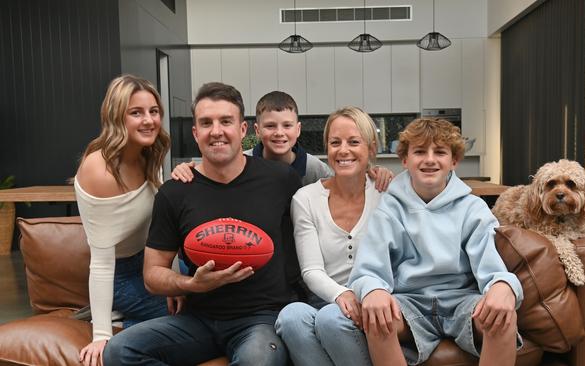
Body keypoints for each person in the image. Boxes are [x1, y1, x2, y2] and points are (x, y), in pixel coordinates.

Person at [102, 82, 303, 366]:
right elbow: (152, 274)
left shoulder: (281, 180)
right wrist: (189, 284)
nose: (216, 131)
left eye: (226, 121)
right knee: (119, 350)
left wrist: (373, 175)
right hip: (198, 320)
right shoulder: (175, 192)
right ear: (196, 133)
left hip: (262, 318)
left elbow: (328, 204)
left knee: (257, 361)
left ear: (243, 130)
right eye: (206, 123)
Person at [317, 118, 524, 366]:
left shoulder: (473, 209)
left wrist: (504, 286)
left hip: (462, 301)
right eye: (419, 152)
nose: (429, 159)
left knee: (504, 317)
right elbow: (368, 270)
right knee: (377, 315)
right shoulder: (389, 209)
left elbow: (493, 270)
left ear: (454, 161)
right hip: (409, 303)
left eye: (439, 152)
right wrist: (373, 289)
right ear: (404, 160)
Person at [74, 74, 173, 366]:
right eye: (136, 112)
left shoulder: (147, 153)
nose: (149, 120)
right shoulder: (100, 170)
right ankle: (121, 327)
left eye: (153, 111)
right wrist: (101, 335)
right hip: (121, 274)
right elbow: (102, 262)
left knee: (215, 294)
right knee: (186, 317)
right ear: (117, 117)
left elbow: (159, 218)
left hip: (154, 259)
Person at [274, 106, 384, 366]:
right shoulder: (306, 199)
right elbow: (311, 270)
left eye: (353, 142)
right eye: (335, 143)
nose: (343, 150)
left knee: (331, 319)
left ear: (371, 148)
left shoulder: (386, 195)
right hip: (325, 300)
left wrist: (366, 297)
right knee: (291, 316)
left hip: (375, 301)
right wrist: (341, 296)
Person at [171, 90, 393, 190]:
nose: (279, 133)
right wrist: (187, 169)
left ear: (298, 130)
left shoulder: (315, 169)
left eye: (287, 126)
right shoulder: (243, 162)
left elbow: (345, 183)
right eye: (270, 126)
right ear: (256, 130)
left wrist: (372, 172)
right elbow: (214, 169)